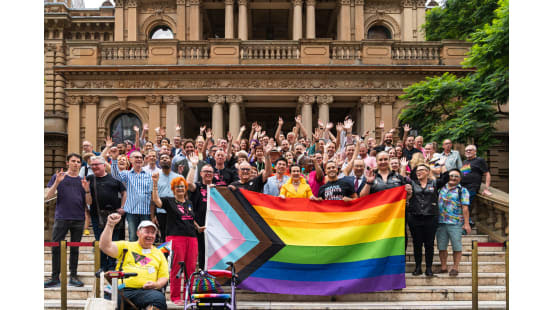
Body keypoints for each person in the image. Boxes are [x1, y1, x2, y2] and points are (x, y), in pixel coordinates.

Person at [151, 175, 205, 305]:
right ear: (173, 189)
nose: (180, 188)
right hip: (175, 237)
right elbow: (156, 200)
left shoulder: (189, 203)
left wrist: (198, 227)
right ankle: (175, 297)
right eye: (177, 187)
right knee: (177, 267)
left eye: (182, 186)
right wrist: (155, 184)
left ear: (185, 188)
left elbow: (190, 218)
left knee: (191, 268)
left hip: (192, 238)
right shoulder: (169, 201)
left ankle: (189, 295)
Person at [99, 215, 169, 310]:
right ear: (138, 233)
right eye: (147, 232)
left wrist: (156, 285)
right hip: (121, 289)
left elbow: (163, 277)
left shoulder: (159, 253)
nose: (150, 235)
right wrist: (110, 225)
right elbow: (105, 246)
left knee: (159, 299)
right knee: (108, 301)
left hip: (145, 292)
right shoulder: (126, 245)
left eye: (153, 233)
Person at [44, 153, 89, 288]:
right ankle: (54, 277)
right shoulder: (58, 177)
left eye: (78, 162)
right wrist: (57, 182)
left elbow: (89, 203)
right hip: (61, 217)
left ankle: (73, 276)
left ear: (80, 164)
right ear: (67, 162)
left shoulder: (83, 180)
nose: (75, 164)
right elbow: (48, 196)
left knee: (75, 249)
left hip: (78, 219)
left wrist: (87, 190)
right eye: (73, 161)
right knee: (56, 248)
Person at [83, 156, 127, 271]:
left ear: (103, 165)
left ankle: (112, 266)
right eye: (92, 165)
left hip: (114, 216)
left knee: (113, 241)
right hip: (97, 216)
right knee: (100, 242)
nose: (94, 167)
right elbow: (89, 202)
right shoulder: (89, 179)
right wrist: (87, 190)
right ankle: (102, 266)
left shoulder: (114, 178)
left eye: (96, 164)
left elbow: (124, 192)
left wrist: (123, 207)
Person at [407, 163, 448, 277]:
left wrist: (443, 165)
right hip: (415, 217)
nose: (418, 172)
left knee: (429, 244)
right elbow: (402, 181)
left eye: (421, 170)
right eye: (417, 171)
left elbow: (446, 178)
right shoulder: (412, 183)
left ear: (427, 172)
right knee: (417, 244)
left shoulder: (434, 183)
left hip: (431, 217)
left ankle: (429, 268)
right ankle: (418, 267)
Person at [110, 148, 153, 241]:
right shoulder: (127, 174)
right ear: (130, 160)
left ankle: (145, 255)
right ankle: (134, 256)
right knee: (133, 237)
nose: (139, 159)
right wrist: (114, 160)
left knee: (146, 237)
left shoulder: (149, 175)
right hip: (131, 211)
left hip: (146, 211)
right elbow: (115, 176)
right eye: (136, 157)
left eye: (141, 157)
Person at [436, 169, 471, 276]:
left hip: (456, 222)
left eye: (456, 176)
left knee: (457, 246)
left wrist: (466, 223)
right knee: (441, 246)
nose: (453, 178)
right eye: (451, 175)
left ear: (460, 179)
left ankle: (455, 267)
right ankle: (443, 267)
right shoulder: (440, 188)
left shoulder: (463, 190)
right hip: (440, 222)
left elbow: (465, 208)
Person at [187, 156, 215, 270]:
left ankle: (209, 274)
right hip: (197, 226)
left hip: (212, 227)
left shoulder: (216, 189)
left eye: (210, 172)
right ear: (201, 173)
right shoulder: (197, 186)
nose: (208, 173)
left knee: (209, 251)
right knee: (199, 252)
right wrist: (193, 166)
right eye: (205, 171)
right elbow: (188, 183)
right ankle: (199, 275)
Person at [150, 153, 181, 243]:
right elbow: (152, 198)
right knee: (164, 237)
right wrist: (153, 216)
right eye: (162, 158)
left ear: (171, 161)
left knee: (176, 237)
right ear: (159, 162)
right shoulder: (155, 177)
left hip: (176, 212)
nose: (164, 159)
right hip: (161, 213)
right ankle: (165, 256)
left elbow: (184, 197)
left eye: (166, 158)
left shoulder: (178, 177)